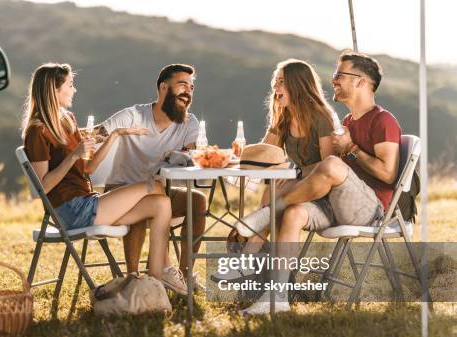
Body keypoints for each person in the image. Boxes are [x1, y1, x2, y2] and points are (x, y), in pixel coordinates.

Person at [235, 51, 401, 314]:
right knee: (293, 214)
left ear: (360, 81)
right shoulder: (347, 122)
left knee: (332, 164)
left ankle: (266, 216)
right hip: (333, 203)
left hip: (370, 211)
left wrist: (353, 149)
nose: (333, 80)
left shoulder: (383, 120)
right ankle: (276, 298)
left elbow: (389, 175)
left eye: (339, 75)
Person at [22, 63, 187, 295]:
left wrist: (116, 135)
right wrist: (73, 156)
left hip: (87, 202)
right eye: (70, 85)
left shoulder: (67, 119)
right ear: (54, 90)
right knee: (156, 186)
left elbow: (88, 168)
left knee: (161, 203)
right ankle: (161, 271)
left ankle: (156, 275)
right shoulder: (37, 131)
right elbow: (43, 186)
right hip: (71, 210)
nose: (74, 90)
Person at [213, 59, 337, 284]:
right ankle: (247, 262)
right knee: (272, 200)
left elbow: (330, 163)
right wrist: (232, 157)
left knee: (272, 200)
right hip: (293, 187)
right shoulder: (285, 116)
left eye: (281, 82)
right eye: (275, 82)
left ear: (297, 84)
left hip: (320, 190)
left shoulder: (321, 117)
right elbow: (265, 153)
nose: (275, 88)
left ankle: (245, 259)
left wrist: (295, 173)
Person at [95, 64, 207, 281]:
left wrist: (187, 154)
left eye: (191, 88)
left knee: (198, 201)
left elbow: (196, 154)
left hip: (160, 191)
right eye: (182, 85)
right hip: (121, 190)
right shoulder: (133, 115)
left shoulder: (188, 122)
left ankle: (183, 276)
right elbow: (96, 135)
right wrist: (63, 130)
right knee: (145, 201)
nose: (188, 92)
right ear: (163, 88)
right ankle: (133, 278)